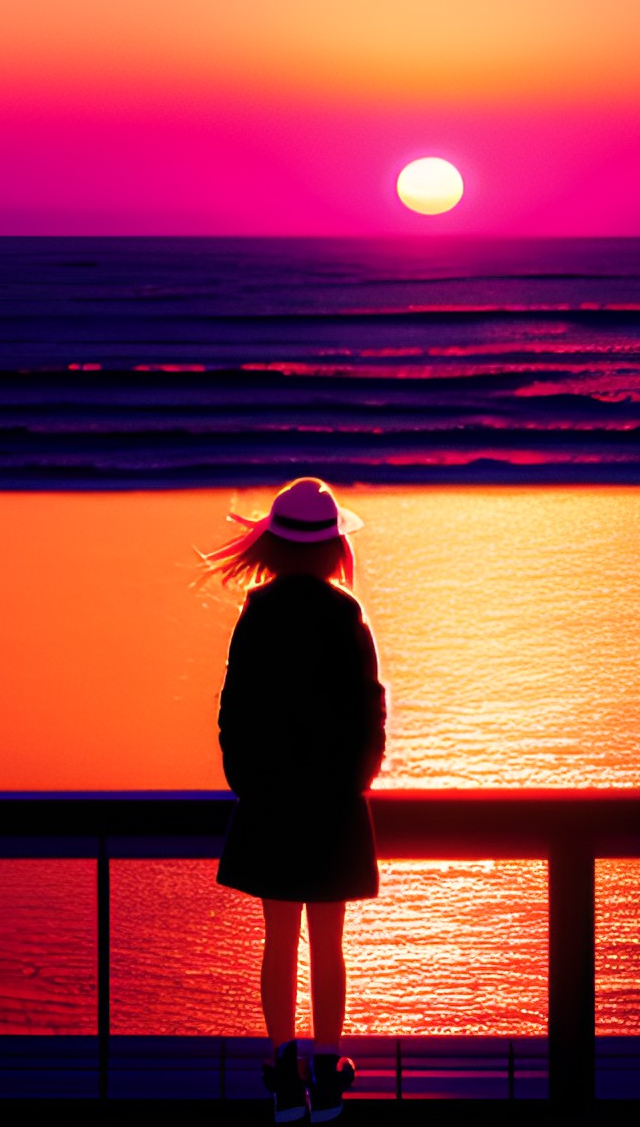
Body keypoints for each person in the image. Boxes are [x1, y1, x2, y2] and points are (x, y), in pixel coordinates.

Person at [200, 478, 387, 1124]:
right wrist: (355, 779)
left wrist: (249, 782)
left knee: (279, 941)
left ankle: (284, 1075)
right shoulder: (346, 616)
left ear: (276, 548)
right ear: (334, 547)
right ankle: (328, 1072)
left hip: (273, 800)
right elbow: (370, 710)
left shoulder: (259, 614)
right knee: (327, 943)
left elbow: (234, 710)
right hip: (332, 803)